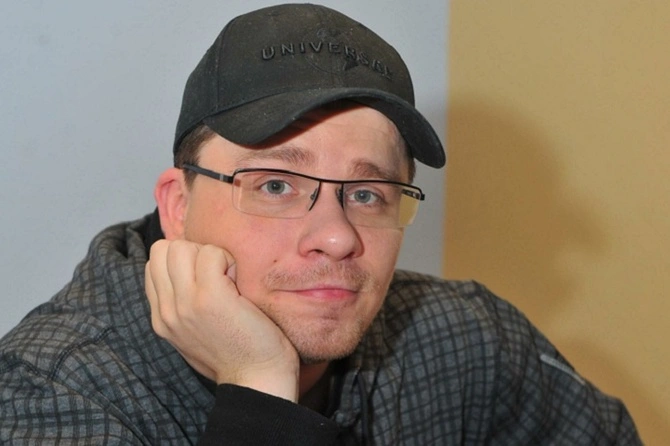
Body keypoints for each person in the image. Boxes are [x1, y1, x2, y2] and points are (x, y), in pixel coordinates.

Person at [0, 3, 640, 445]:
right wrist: (259, 392)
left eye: (366, 193)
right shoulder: (50, 395)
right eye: (276, 185)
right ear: (178, 207)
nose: (337, 237)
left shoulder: (463, 342)